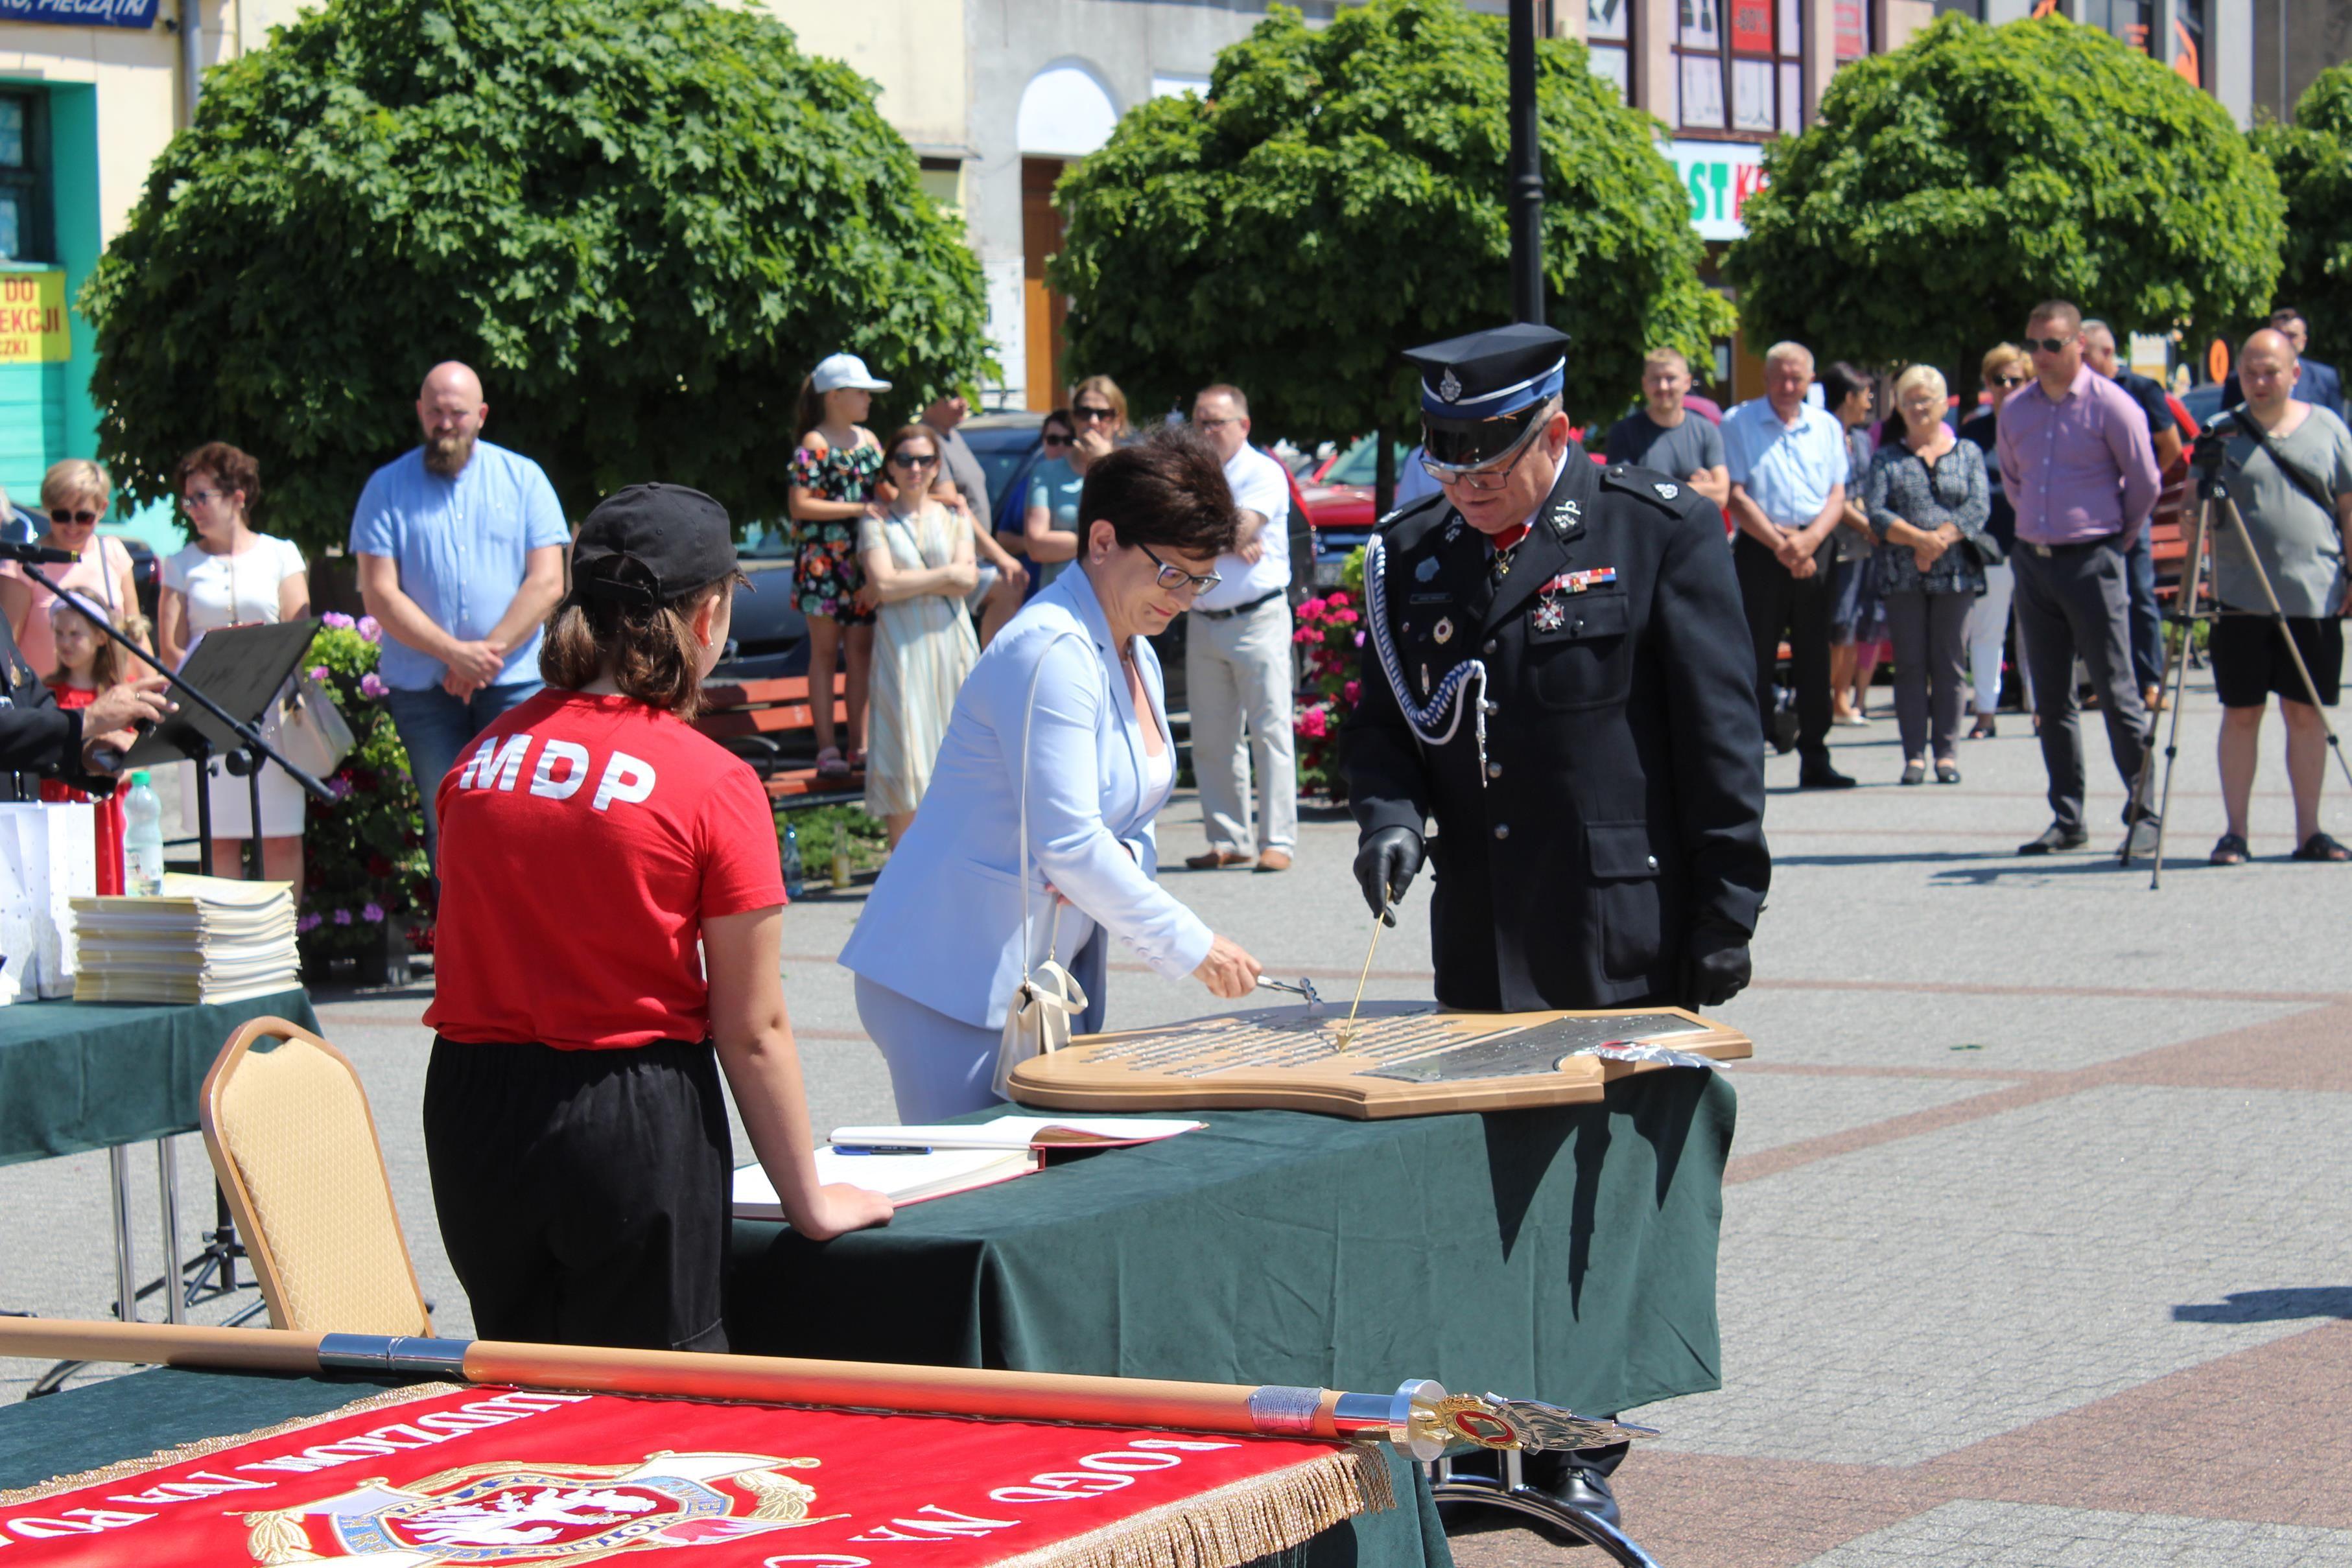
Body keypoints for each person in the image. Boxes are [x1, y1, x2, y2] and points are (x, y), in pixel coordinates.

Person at [1344, 323, 1768, 1533]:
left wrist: (1724, 912)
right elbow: (1381, 725)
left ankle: (1577, 1439)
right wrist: (1384, 813)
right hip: (1481, 936)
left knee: (1600, 1197)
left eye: (1488, 461)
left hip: (1617, 935)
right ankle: (1495, 1433)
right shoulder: (1414, 557)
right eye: (1446, 462)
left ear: (1554, 434)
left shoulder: (1654, 529)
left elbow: (1717, 736)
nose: (1464, 486)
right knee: (1490, 1197)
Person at [423, 482, 893, 1349]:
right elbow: (753, 1027)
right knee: (658, 1409)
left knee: (520, 1394)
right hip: (625, 1112)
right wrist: (809, 1201)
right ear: (708, 614)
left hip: (472, 1109)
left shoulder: (481, 757)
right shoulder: (710, 780)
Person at [843, 427, 1264, 1122]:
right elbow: (1069, 843)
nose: (1186, 599)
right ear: (1102, 542)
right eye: (1173, 574)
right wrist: (1193, 945)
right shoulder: (1051, 651)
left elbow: (1122, 826)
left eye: (1202, 579)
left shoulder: (1134, 647)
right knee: (971, 1197)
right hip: (949, 977)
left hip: (1032, 977)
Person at [352, 362, 569, 875]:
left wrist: (483, 656)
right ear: (419, 413)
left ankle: (517, 950)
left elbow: (548, 582)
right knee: (445, 817)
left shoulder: (525, 480)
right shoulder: (385, 488)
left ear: (482, 415)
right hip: (425, 690)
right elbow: (380, 593)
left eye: (457, 412)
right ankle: (459, 951)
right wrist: (455, 655)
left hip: (513, 683)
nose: (445, 423)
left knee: (518, 815)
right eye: (435, 412)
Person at [1996, 300, 2163, 857]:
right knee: (2050, 697)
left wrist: (2113, 539)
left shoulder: (2112, 405)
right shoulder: (2016, 409)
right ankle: (2068, 816)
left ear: (2078, 347)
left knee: (2117, 693)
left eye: (2051, 344)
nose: (2038, 356)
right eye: (2033, 344)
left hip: (2093, 559)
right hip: (2034, 560)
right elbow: (2014, 481)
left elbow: (2144, 484)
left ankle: (2145, 813)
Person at [2204, 327, 2352, 865]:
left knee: (2306, 714)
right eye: (2250, 371)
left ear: (2295, 372)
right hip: (2239, 597)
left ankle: (2310, 831)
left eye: (2271, 371)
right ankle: (2236, 832)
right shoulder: (2219, 433)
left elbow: (2348, 505)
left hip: (2313, 593)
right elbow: (2193, 515)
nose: (2261, 381)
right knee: (2241, 712)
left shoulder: (2329, 428)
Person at [160, 443, 312, 887]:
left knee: (281, 837)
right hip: (206, 715)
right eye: (187, 499)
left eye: (201, 496)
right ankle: (226, 953)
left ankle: (281, 950)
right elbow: (170, 647)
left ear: (239, 496)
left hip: (272, 714)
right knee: (219, 839)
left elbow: (297, 629)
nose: (191, 509)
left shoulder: (280, 553)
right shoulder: (181, 563)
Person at [1723, 342, 1855, 787]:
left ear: (1810, 380)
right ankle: (1749, 763)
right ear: (1765, 378)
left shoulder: (1826, 426)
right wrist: (1784, 545)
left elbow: (1838, 494)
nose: (1786, 385)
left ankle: (1815, 756)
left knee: (1815, 656)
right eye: (1779, 376)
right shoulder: (1739, 421)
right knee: (1754, 656)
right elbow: (1736, 494)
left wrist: (1811, 541)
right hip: (1762, 548)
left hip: (1815, 543)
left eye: (1796, 377)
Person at [1182, 383, 1297, 874]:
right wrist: (1226, 536)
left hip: (1257, 617)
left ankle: (1278, 842)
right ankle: (1228, 838)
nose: (1207, 431)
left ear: (1243, 425)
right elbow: (1172, 529)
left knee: (1269, 732)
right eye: (1200, 421)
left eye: (1217, 422)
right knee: (1211, 737)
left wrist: (1225, 534)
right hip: (1204, 618)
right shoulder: (1191, 473)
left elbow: (1241, 531)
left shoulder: (1263, 472)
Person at [1866, 366, 1990, 786]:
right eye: (1911, 399)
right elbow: (1877, 511)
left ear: (1942, 404)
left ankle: (1947, 754)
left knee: (1951, 663)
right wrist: (1918, 540)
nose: (1919, 407)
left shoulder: (1967, 452)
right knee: (1910, 665)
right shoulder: (1886, 457)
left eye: (1927, 399)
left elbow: (1978, 506)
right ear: (1899, 406)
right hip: (1903, 573)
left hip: (1956, 574)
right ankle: (1914, 755)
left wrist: (1938, 541)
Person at [858, 425, 980, 844]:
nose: (915, 468)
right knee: (906, 755)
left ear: (936, 465)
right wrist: (946, 573)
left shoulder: (955, 516)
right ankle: (905, 876)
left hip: (951, 646)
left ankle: (960, 872)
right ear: (890, 465)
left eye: (925, 459)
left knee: (963, 757)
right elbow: (884, 585)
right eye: (905, 459)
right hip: (903, 649)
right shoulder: (876, 520)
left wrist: (913, 579)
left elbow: (968, 581)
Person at [790, 354, 891, 780]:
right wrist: (860, 507)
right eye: (861, 391)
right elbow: (800, 504)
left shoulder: (869, 440)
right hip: (823, 563)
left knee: (862, 654)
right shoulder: (814, 442)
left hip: (864, 559)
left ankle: (861, 745)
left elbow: (888, 488)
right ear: (835, 396)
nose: (868, 398)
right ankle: (828, 747)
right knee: (826, 654)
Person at [2082, 320, 2178, 710]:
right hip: (2090, 511)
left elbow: (2169, 446)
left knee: (2138, 594)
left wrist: (2138, 483)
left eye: (2086, 356)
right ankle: (2106, 683)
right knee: (2098, 600)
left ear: (2108, 353)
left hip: (2129, 508)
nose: (2081, 364)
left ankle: (2150, 682)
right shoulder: (2078, 395)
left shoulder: (2139, 389)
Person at [0, 460, 143, 680]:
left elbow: (136, 638)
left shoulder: (113, 553)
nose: (72, 525)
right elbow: (8, 651)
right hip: (49, 704)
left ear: (102, 509)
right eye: (62, 516)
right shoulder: (23, 564)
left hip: (110, 695)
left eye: (84, 517)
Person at [1958, 345, 2034, 737]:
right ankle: (1985, 713)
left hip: (2037, 540)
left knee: (2037, 630)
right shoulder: (1974, 430)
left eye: (2016, 379)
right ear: (1988, 384)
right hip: (1992, 545)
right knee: (1989, 630)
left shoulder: (2040, 423)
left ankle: (2042, 710)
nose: (2007, 387)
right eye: (1999, 380)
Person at [919, 390, 1028, 647]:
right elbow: (956, 508)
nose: (964, 404)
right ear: (930, 399)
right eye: (953, 396)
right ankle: (991, 675)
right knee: (1007, 587)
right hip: (946, 554)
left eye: (967, 395)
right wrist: (1001, 557)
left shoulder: (953, 436)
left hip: (974, 553)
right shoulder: (928, 440)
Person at [40, 599, 133, 894]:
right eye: (59, 633)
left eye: (74, 634)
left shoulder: (120, 693)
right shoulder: (48, 692)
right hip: (61, 800)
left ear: (101, 637)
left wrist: (121, 768)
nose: (64, 642)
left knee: (106, 874)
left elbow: (138, 750)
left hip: (107, 805)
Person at [1819, 362, 1884, 727]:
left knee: (1856, 621)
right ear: (1849, 396)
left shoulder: (1860, 437)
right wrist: (1868, 525)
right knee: (1837, 622)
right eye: (1865, 394)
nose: (1869, 401)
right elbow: (1834, 494)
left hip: (1863, 542)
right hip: (1834, 539)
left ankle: (1843, 698)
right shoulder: (1823, 433)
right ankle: (1831, 699)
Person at [1603, 347, 1730, 506]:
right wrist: (1697, 488)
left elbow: (1721, 495)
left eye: (1671, 378)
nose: (1663, 387)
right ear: (1644, 384)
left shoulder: (1706, 431)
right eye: (1655, 379)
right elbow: (1620, 494)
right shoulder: (1624, 433)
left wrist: (1650, 488)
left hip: (1692, 530)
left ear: (1687, 382)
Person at [2222, 307, 2344, 421]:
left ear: (2303, 342)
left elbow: (2335, 432)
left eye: (2292, 336)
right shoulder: (2238, 381)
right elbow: (2227, 431)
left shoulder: (2324, 379)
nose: (2285, 340)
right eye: (2279, 334)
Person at [1019, 409, 1085, 589]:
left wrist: (1060, 545)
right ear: (1044, 441)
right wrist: (1097, 544)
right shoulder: (1040, 476)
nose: (1061, 447)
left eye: (1068, 440)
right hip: (1050, 586)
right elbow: (1033, 544)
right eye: (1053, 440)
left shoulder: (1111, 471)